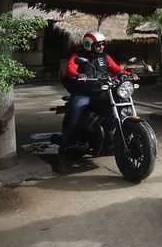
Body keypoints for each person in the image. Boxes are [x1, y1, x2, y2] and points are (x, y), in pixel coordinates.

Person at [55, 31, 130, 174]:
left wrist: (127, 74)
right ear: (89, 45)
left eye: (102, 45)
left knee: (118, 105)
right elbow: (70, 68)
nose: (102, 47)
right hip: (83, 93)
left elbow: (115, 68)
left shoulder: (105, 57)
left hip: (101, 91)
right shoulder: (78, 56)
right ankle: (61, 156)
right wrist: (78, 75)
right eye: (98, 45)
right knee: (74, 122)